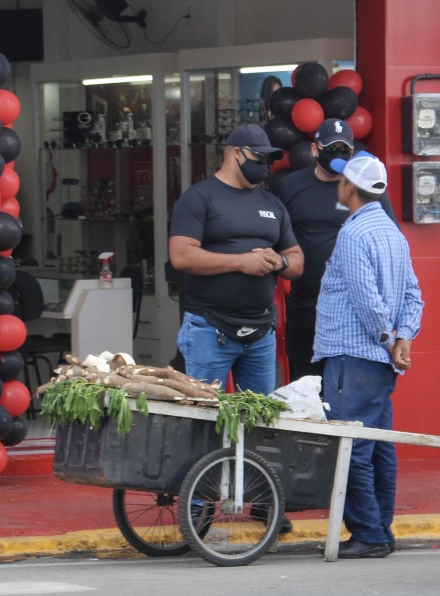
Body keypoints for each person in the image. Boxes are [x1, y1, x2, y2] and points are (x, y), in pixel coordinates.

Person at [313, 153, 423, 559]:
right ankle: (380, 529)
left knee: (352, 447)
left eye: (342, 180)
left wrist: (390, 338)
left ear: (349, 187)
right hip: (378, 361)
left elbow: (366, 300)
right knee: (377, 447)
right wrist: (403, 337)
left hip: (353, 356)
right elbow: (413, 294)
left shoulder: (354, 233)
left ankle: (369, 534)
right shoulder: (393, 233)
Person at [168, 123, 303, 396]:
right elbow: (180, 256)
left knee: (259, 415)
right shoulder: (199, 197)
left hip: (260, 332)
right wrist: (241, 262)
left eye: (270, 160)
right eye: (260, 157)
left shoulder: (272, 203)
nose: (266, 166)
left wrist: (280, 262)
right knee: (204, 412)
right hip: (210, 328)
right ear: (236, 153)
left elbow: (297, 259)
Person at [277, 119, 398, 381]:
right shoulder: (292, 185)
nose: (338, 154)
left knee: (348, 390)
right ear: (314, 149)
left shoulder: (365, 187)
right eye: (331, 147)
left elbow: (391, 239)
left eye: (344, 149)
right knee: (307, 389)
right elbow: (277, 237)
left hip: (355, 311)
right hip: (307, 305)